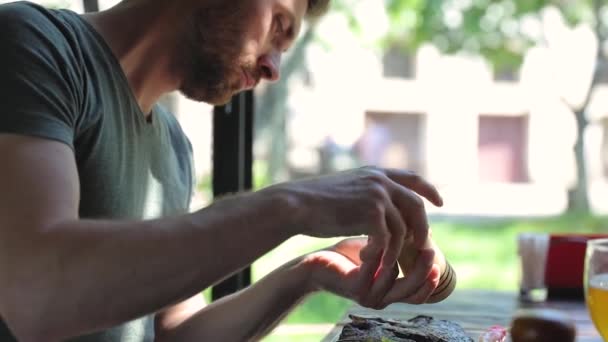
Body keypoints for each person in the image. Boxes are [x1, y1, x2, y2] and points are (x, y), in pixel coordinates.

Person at [0, 0, 445, 340]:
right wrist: (291, 205)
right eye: (278, 26)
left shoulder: (173, 147)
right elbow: (36, 290)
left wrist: (309, 273)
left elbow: (173, 331)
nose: (273, 68)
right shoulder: (31, 44)